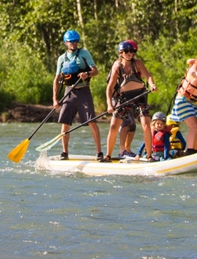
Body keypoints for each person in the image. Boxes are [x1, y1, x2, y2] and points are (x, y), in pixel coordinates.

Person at [52, 29, 104, 161]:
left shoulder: (84, 53)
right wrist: (55, 99)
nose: (74, 44)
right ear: (66, 43)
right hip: (68, 92)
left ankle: (99, 152)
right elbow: (57, 79)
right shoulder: (61, 59)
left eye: (76, 41)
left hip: (84, 91)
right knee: (65, 123)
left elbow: (95, 71)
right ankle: (64, 152)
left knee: (91, 121)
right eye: (71, 42)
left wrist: (87, 74)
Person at [104, 39, 156, 160]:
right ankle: (108, 156)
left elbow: (148, 76)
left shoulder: (137, 63)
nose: (129, 53)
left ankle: (149, 156)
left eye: (132, 51)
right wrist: (109, 104)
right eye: (126, 51)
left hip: (139, 98)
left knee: (146, 125)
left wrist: (152, 85)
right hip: (123, 99)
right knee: (113, 127)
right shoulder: (117, 66)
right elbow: (110, 88)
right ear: (121, 53)